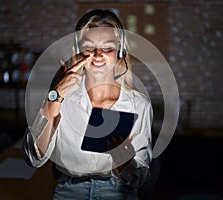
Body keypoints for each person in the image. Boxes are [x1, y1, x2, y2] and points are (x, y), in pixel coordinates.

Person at [22, 9, 153, 200]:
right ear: (78, 50)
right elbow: (33, 158)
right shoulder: (59, 96)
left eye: (108, 48)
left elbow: (139, 179)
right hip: (69, 190)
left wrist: (124, 164)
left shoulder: (139, 104)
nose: (98, 55)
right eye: (89, 47)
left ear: (120, 52)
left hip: (118, 191)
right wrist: (54, 98)